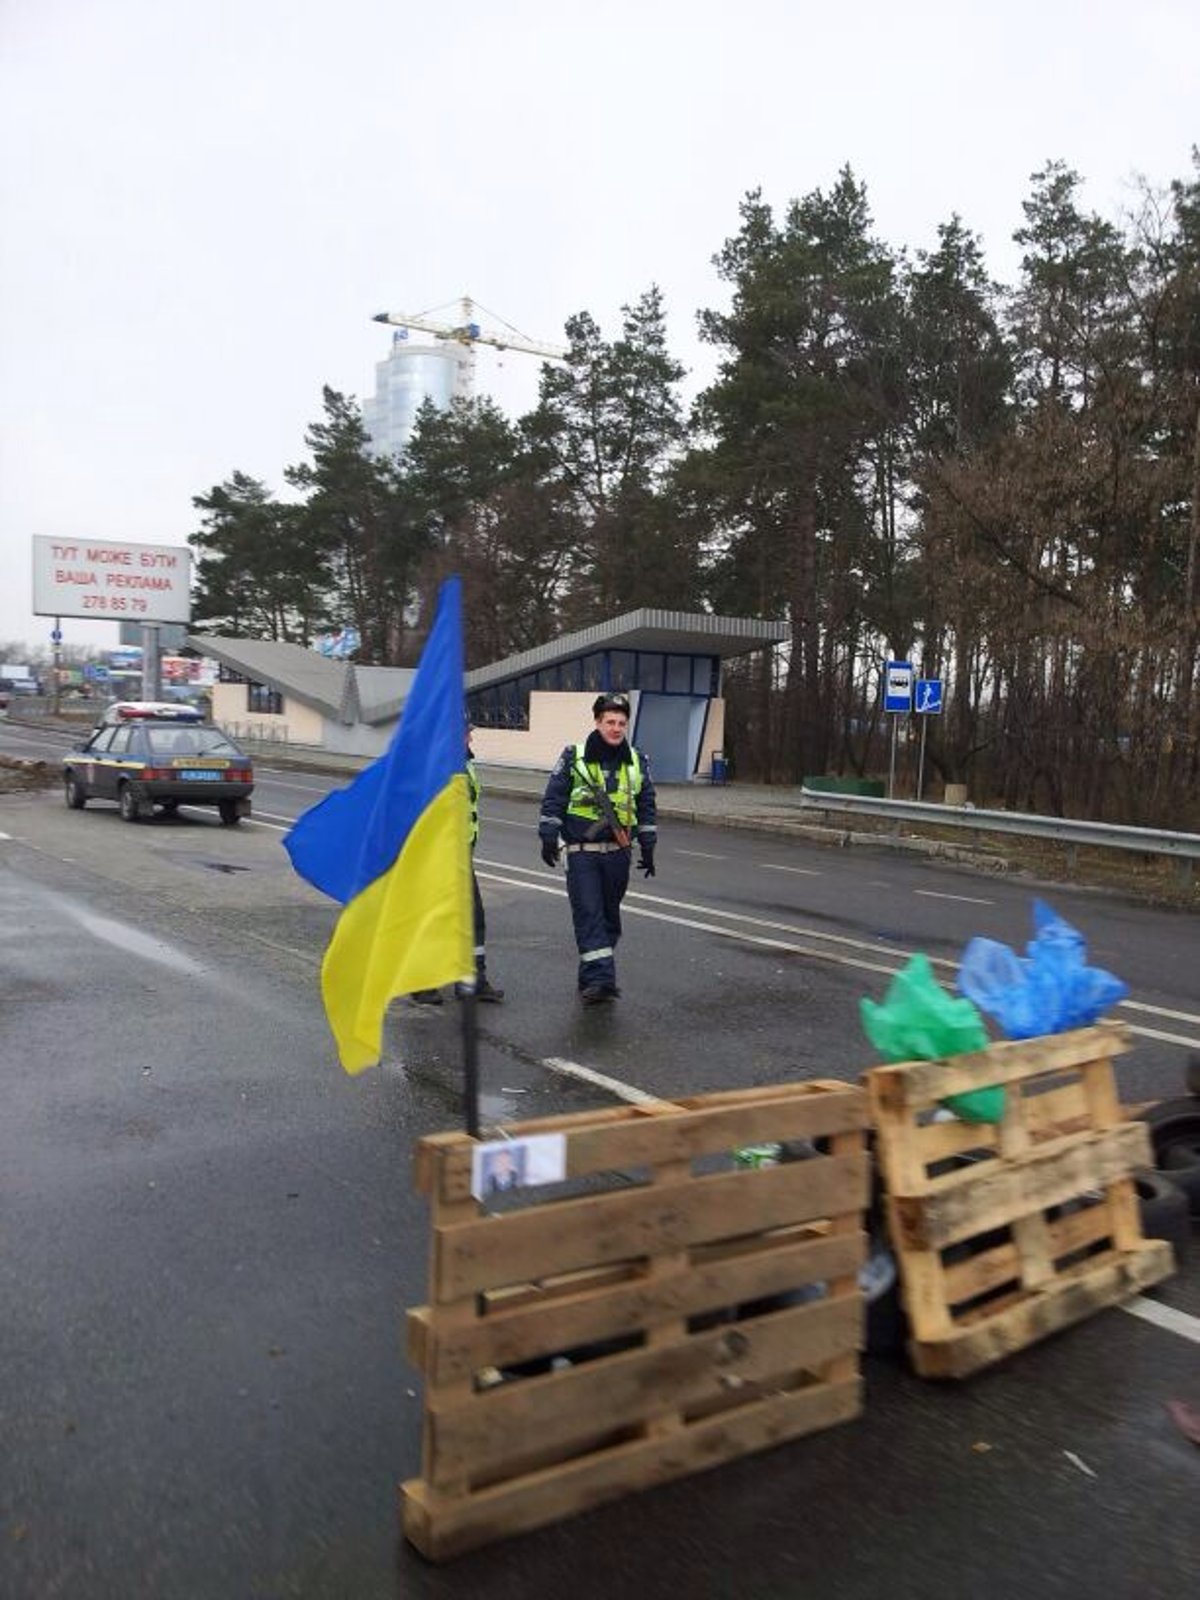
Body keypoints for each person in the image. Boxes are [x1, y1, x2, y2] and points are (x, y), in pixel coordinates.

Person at [538, 691, 657, 1005]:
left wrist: (648, 846)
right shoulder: (573, 756)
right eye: (610, 722)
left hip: (618, 853)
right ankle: (602, 980)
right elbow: (554, 798)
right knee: (589, 914)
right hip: (581, 854)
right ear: (597, 722)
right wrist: (548, 835)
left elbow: (646, 805)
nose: (616, 728)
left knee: (609, 920)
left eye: (621, 723)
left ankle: (590, 976)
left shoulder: (638, 760)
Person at [412, 725, 505, 1006]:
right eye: (465, 732)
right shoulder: (438, 766)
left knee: (471, 918)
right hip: (437, 854)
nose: (470, 737)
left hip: (459, 855)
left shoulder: (464, 763)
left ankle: (472, 980)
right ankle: (421, 982)